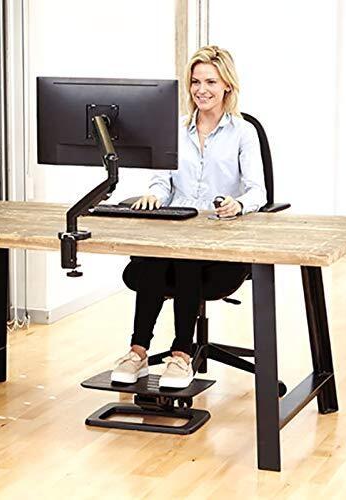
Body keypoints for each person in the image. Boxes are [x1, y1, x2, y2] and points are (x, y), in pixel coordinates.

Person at [111, 45, 267, 388]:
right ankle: (138, 353)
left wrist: (238, 205)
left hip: (216, 239)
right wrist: (155, 195)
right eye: (195, 82)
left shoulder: (243, 133)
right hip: (176, 228)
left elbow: (258, 191)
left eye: (210, 81)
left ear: (227, 85)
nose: (201, 89)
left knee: (185, 259)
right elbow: (162, 180)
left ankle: (181, 356)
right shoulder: (176, 129)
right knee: (154, 256)